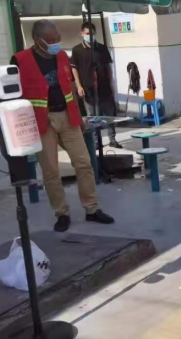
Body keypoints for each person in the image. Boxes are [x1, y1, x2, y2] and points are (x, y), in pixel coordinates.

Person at [12, 20, 115, 232]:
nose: (55, 43)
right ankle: (62, 213)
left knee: (84, 163)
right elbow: (14, 96)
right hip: (42, 122)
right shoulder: (19, 60)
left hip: (68, 117)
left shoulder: (61, 56)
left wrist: (81, 116)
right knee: (51, 171)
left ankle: (92, 208)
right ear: (37, 40)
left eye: (57, 39)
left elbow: (69, 87)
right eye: (51, 40)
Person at [71, 22, 121, 148]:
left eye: (92, 33)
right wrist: (78, 86)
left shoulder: (102, 48)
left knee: (109, 115)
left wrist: (112, 85)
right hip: (88, 89)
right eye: (87, 33)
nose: (90, 36)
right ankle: (96, 141)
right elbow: (74, 68)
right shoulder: (77, 50)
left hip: (104, 87)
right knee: (92, 117)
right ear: (82, 33)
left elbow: (108, 67)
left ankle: (112, 139)